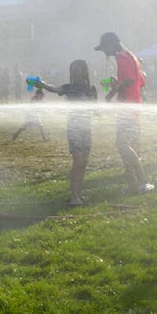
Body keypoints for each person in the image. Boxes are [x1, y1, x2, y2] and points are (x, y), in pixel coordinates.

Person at [96, 31, 154, 195]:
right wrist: (118, 83)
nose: (104, 52)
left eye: (104, 48)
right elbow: (140, 82)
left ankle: (143, 181)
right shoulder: (133, 58)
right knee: (125, 144)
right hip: (132, 104)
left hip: (127, 106)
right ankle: (132, 183)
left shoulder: (121, 57)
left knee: (122, 144)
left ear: (112, 44)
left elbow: (129, 80)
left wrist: (111, 92)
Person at [38, 60, 98, 206]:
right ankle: (74, 197)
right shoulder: (69, 88)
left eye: (78, 70)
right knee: (77, 160)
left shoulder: (91, 89)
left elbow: (96, 109)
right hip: (74, 129)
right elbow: (54, 89)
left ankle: (79, 194)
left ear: (85, 72)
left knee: (84, 162)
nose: (75, 73)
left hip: (86, 129)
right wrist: (41, 83)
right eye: (73, 71)